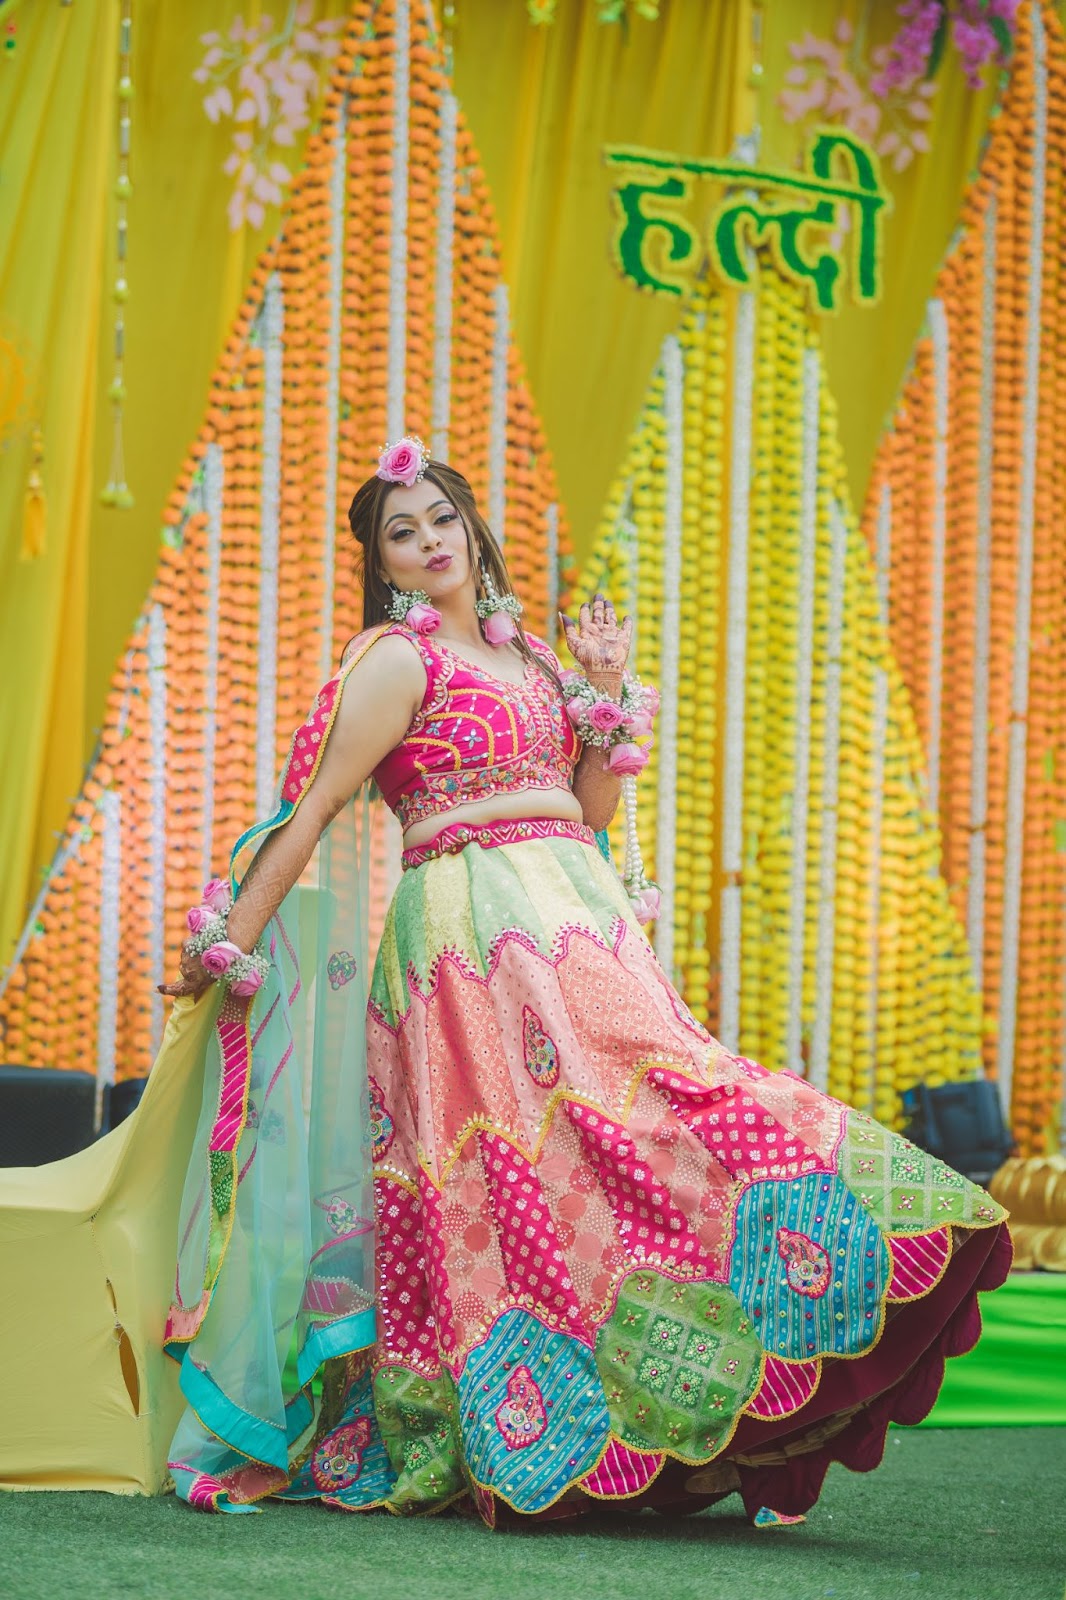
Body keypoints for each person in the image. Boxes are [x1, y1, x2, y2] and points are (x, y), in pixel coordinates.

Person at [1, 436, 1010, 1524]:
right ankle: (539, 1425)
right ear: (383, 562)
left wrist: (609, 693)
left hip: (576, 915)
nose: (427, 540)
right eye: (402, 531)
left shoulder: (530, 658)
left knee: (659, 1119)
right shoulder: (398, 657)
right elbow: (315, 809)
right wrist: (229, 943)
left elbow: (589, 812)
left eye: (440, 518)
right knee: (506, 1180)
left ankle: (706, 1402)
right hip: (467, 937)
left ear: (471, 527)